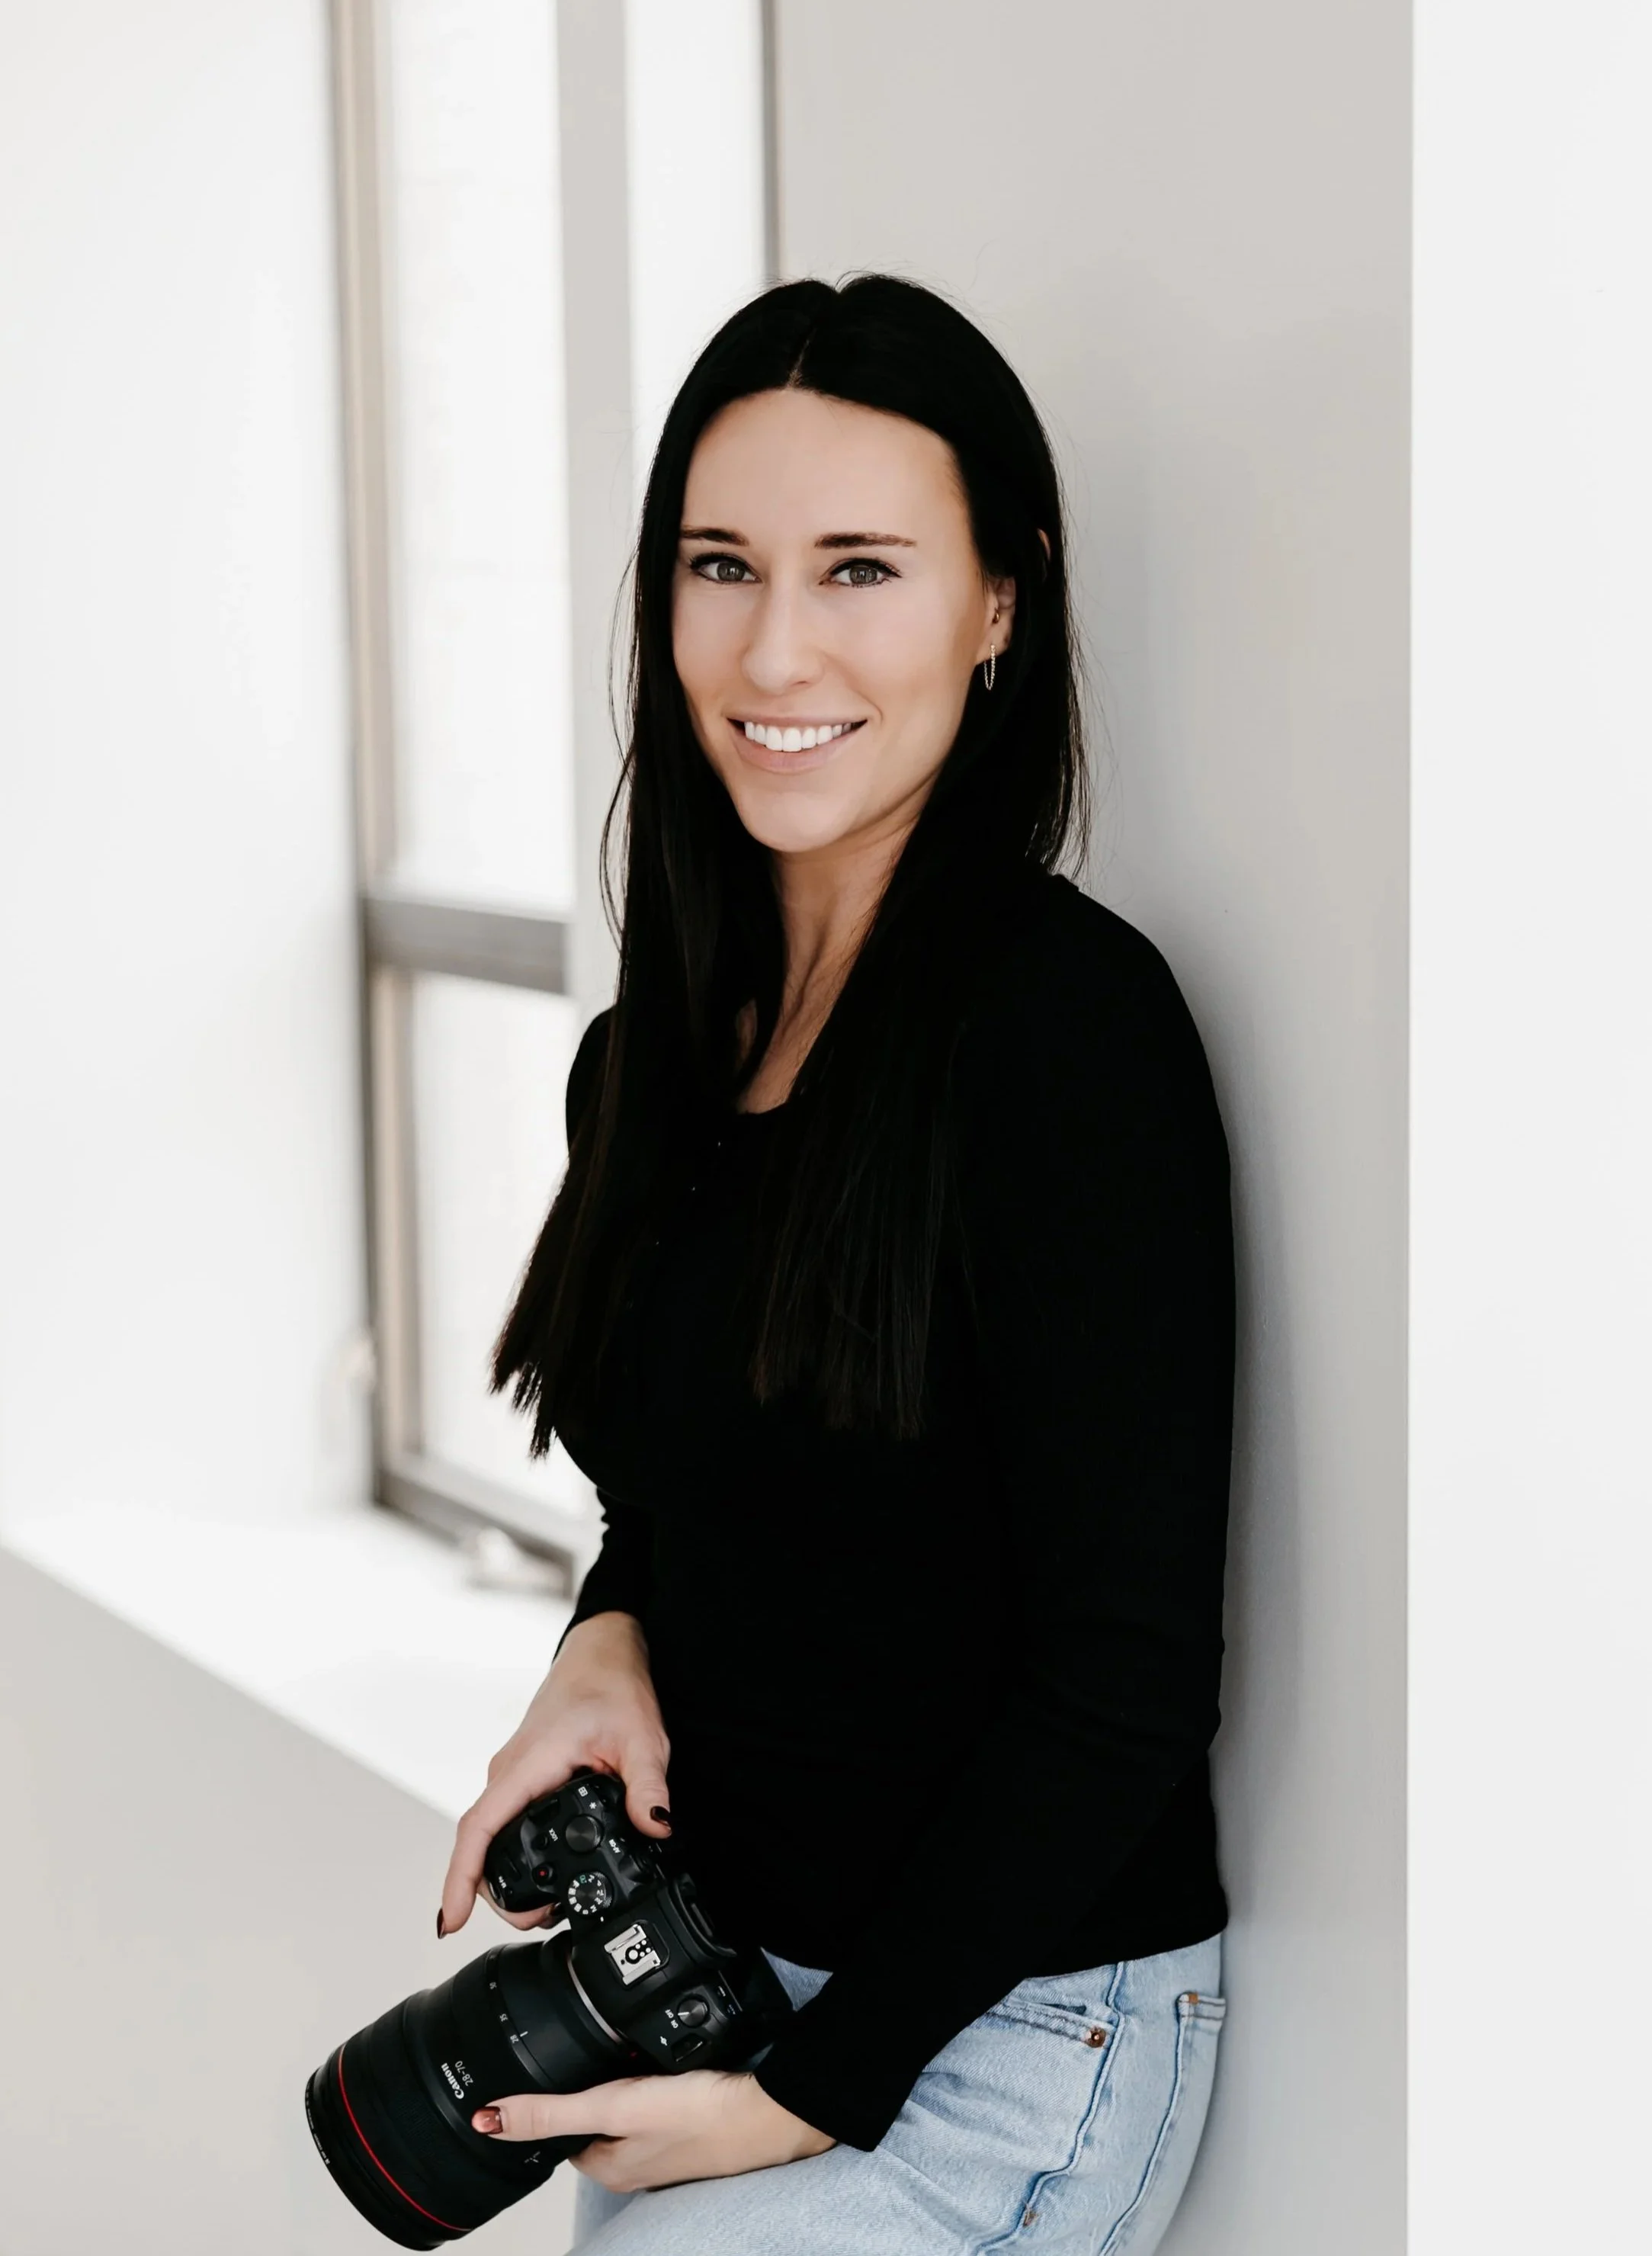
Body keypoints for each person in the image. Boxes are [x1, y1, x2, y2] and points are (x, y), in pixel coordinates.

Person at [436, 274, 1236, 2255]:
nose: (774, 647)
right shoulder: (649, 1057)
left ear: (999, 601)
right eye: (721, 566)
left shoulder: (1066, 1039)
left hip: (1003, 2039)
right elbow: (686, 1488)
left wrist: (805, 2092)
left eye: (859, 568)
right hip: (728, 1989)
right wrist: (605, 1635)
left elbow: (1126, 1684)